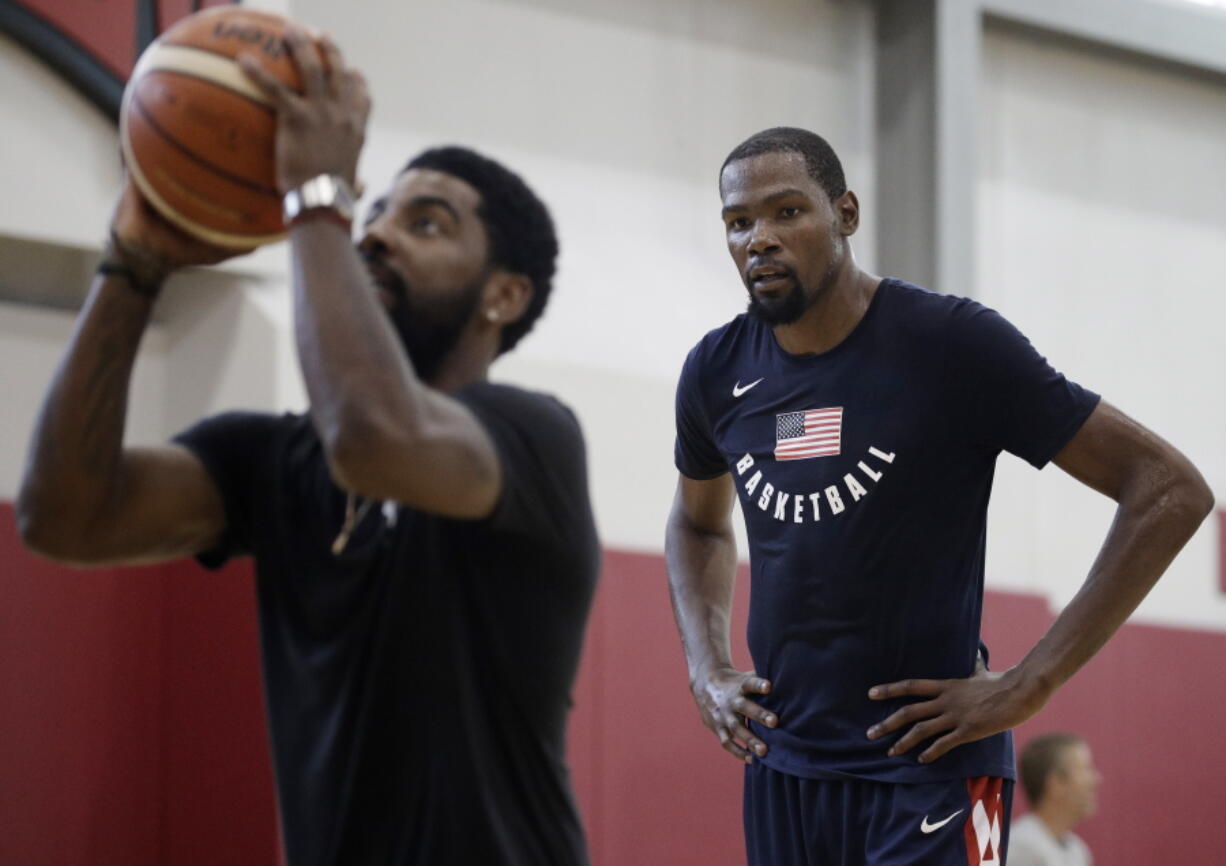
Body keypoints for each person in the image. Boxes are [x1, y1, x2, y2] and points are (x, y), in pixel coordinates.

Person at [17, 30, 598, 866]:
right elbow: (64, 517)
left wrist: (318, 198)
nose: (376, 236)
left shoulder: (534, 438)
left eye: (424, 223)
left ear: (503, 296)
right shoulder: (275, 464)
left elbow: (372, 438)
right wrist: (134, 263)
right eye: (372, 214)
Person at [665, 126, 1212, 866]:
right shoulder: (716, 371)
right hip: (785, 765)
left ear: (846, 215)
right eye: (739, 221)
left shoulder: (950, 344)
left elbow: (1168, 489)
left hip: (932, 768)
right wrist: (706, 667)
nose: (760, 238)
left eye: (787, 212)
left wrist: (1029, 684)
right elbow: (698, 526)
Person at [1009, 734, 1099, 866]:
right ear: (1056, 783)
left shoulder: (1077, 849)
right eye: (1085, 769)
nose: (1095, 779)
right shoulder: (1022, 847)